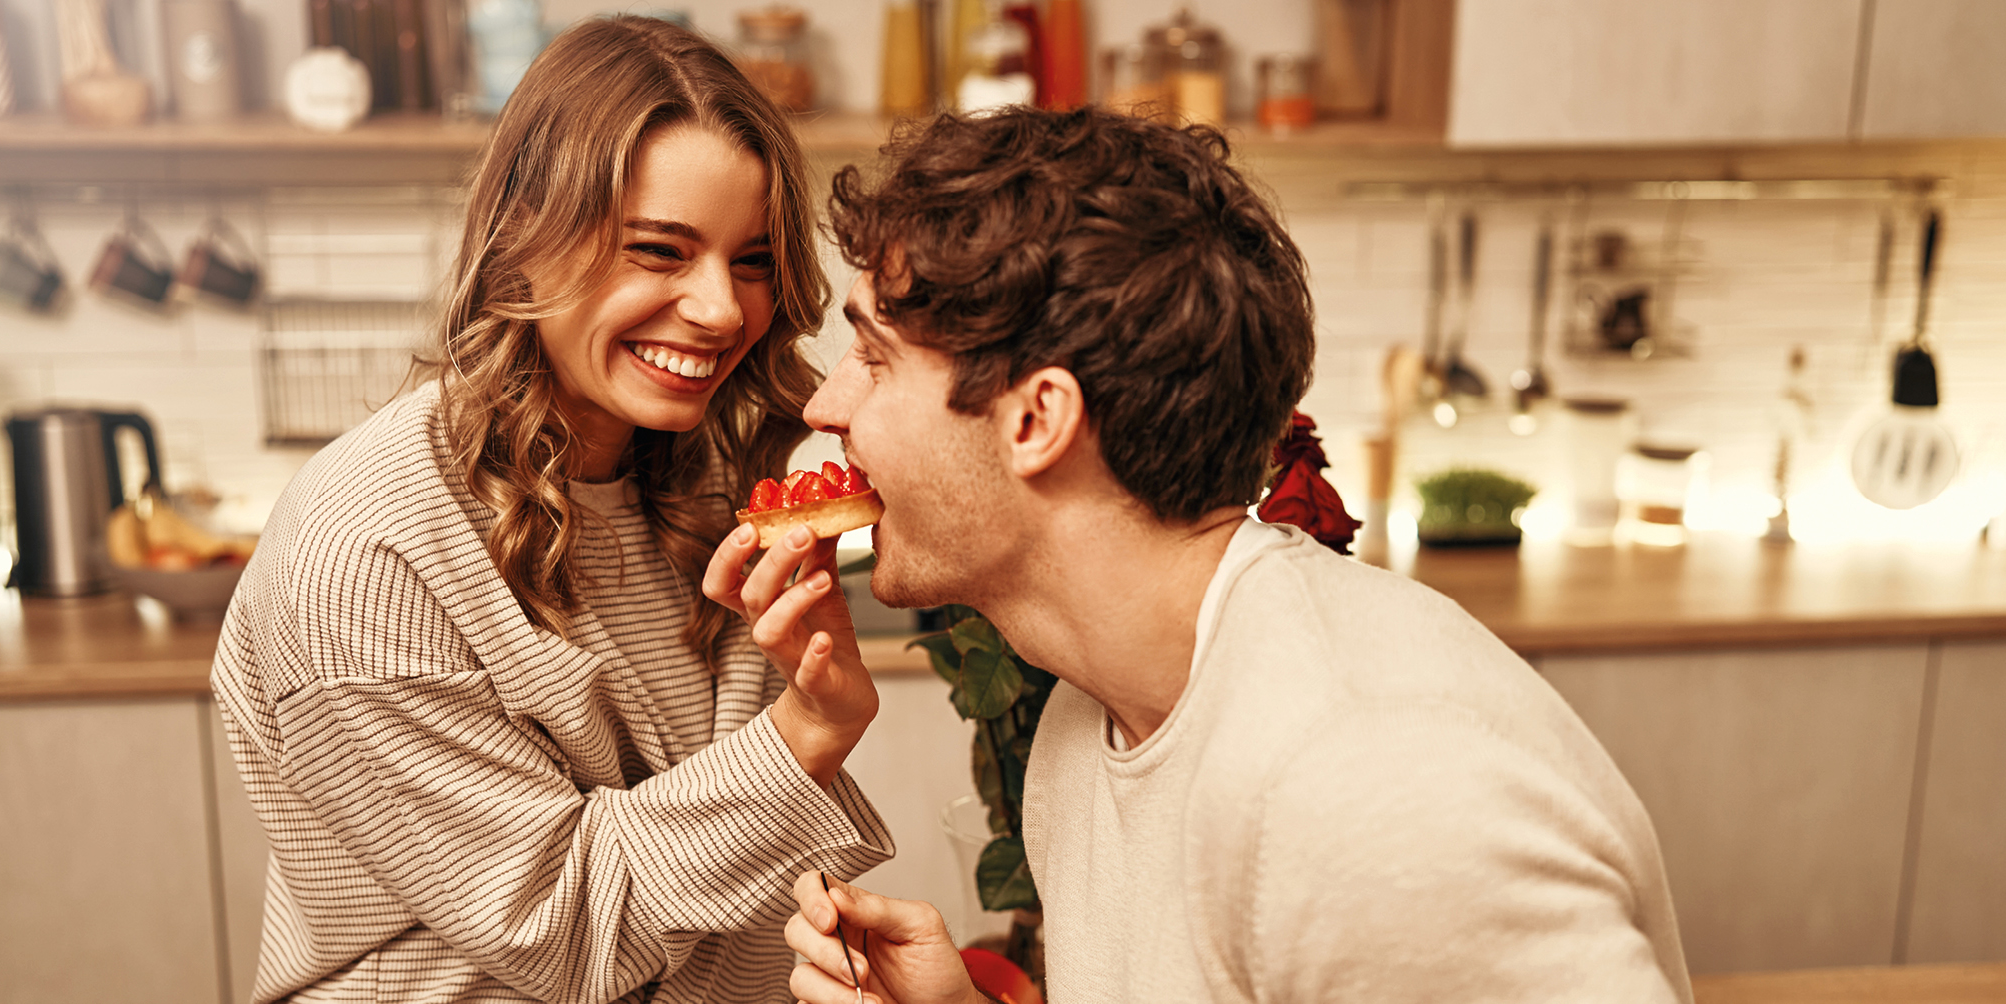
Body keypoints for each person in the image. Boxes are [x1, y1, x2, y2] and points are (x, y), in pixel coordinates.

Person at [777, 107, 1692, 1003]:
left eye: (874, 357)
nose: (827, 409)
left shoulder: (1375, 799)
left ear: (1036, 420)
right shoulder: (1087, 721)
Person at [211, 17, 890, 1002]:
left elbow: (720, 868)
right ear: (523, 242)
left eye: (750, 260)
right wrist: (809, 729)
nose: (720, 309)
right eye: (659, 250)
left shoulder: (702, 480)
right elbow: (561, 929)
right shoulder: (369, 550)